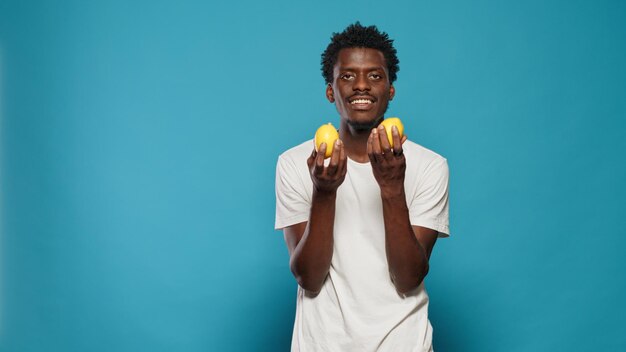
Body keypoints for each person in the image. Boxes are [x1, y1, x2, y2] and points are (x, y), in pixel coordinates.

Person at [274, 22, 450, 352]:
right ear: (331, 91)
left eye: (374, 75)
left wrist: (392, 187)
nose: (361, 86)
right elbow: (309, 278)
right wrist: (324, 193)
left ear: (390, 90)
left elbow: (409, 276)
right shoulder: (295, 163)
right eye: (347, 75)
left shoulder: (429, 165)